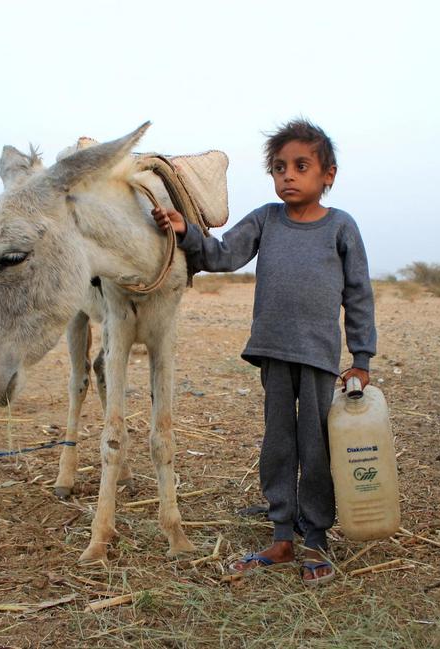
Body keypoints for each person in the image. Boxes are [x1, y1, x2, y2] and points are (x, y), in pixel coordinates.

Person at [152, 119, 376, 585]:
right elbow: (222, 256)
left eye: (300, 166)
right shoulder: (265, 219)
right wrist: (185, 230)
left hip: (318, 357)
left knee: (315, 447)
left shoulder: (341, 227)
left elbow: (358, 294)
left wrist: (361, 359)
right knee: (279, 444)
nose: (287, 176)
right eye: (278, 168)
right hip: (272, 351)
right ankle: (281, 535)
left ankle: (315, 536)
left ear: (328, 175)